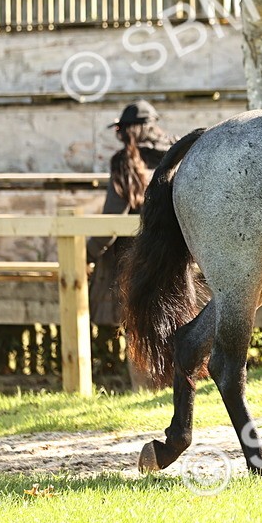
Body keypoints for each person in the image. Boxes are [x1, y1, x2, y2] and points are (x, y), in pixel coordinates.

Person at [87, 100, 176, 389]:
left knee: (138, 325)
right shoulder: (178, 153)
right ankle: (174, 389)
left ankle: (145, 392)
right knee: (174, 319)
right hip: (178, 253)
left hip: (135, 259)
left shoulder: (125, 162)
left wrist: (87, 252)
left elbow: (112, 221)